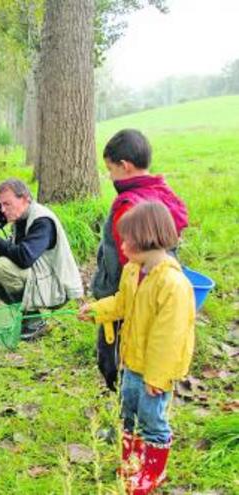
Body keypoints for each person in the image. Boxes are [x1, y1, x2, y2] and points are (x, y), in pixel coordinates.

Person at [78, 202, 195, 495]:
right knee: (127, 410)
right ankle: (132, 460)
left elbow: (169, 337)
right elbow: (121, 302)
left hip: (155, 372)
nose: (122, 245)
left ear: (148, 237)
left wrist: (157, 377)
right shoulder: (133, 271)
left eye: (127, 239)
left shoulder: (172, 284)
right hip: (130, 361)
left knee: (153, 419)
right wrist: (97, 310)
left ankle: (154, 471)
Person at [92, 129, 188, 391]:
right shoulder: (162, 192)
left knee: (113, 359)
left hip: (123, 298)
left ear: (125, 166)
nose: (110, 176)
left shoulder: (128, 204)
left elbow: (129, 264)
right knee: (146, 348)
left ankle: (125, 403)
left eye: (110, 169)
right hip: (151, 297)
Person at [0, 178, 83, 340]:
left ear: (25, 199)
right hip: (39, 279)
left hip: (56, 287)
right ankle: (24, 314)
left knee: (3, 267)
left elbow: (24, 258)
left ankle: (34, 320)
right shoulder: (20, 219)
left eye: (7, 204)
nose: (2, 210)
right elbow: (11, 254)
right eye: (0, 205)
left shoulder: (42, 220)